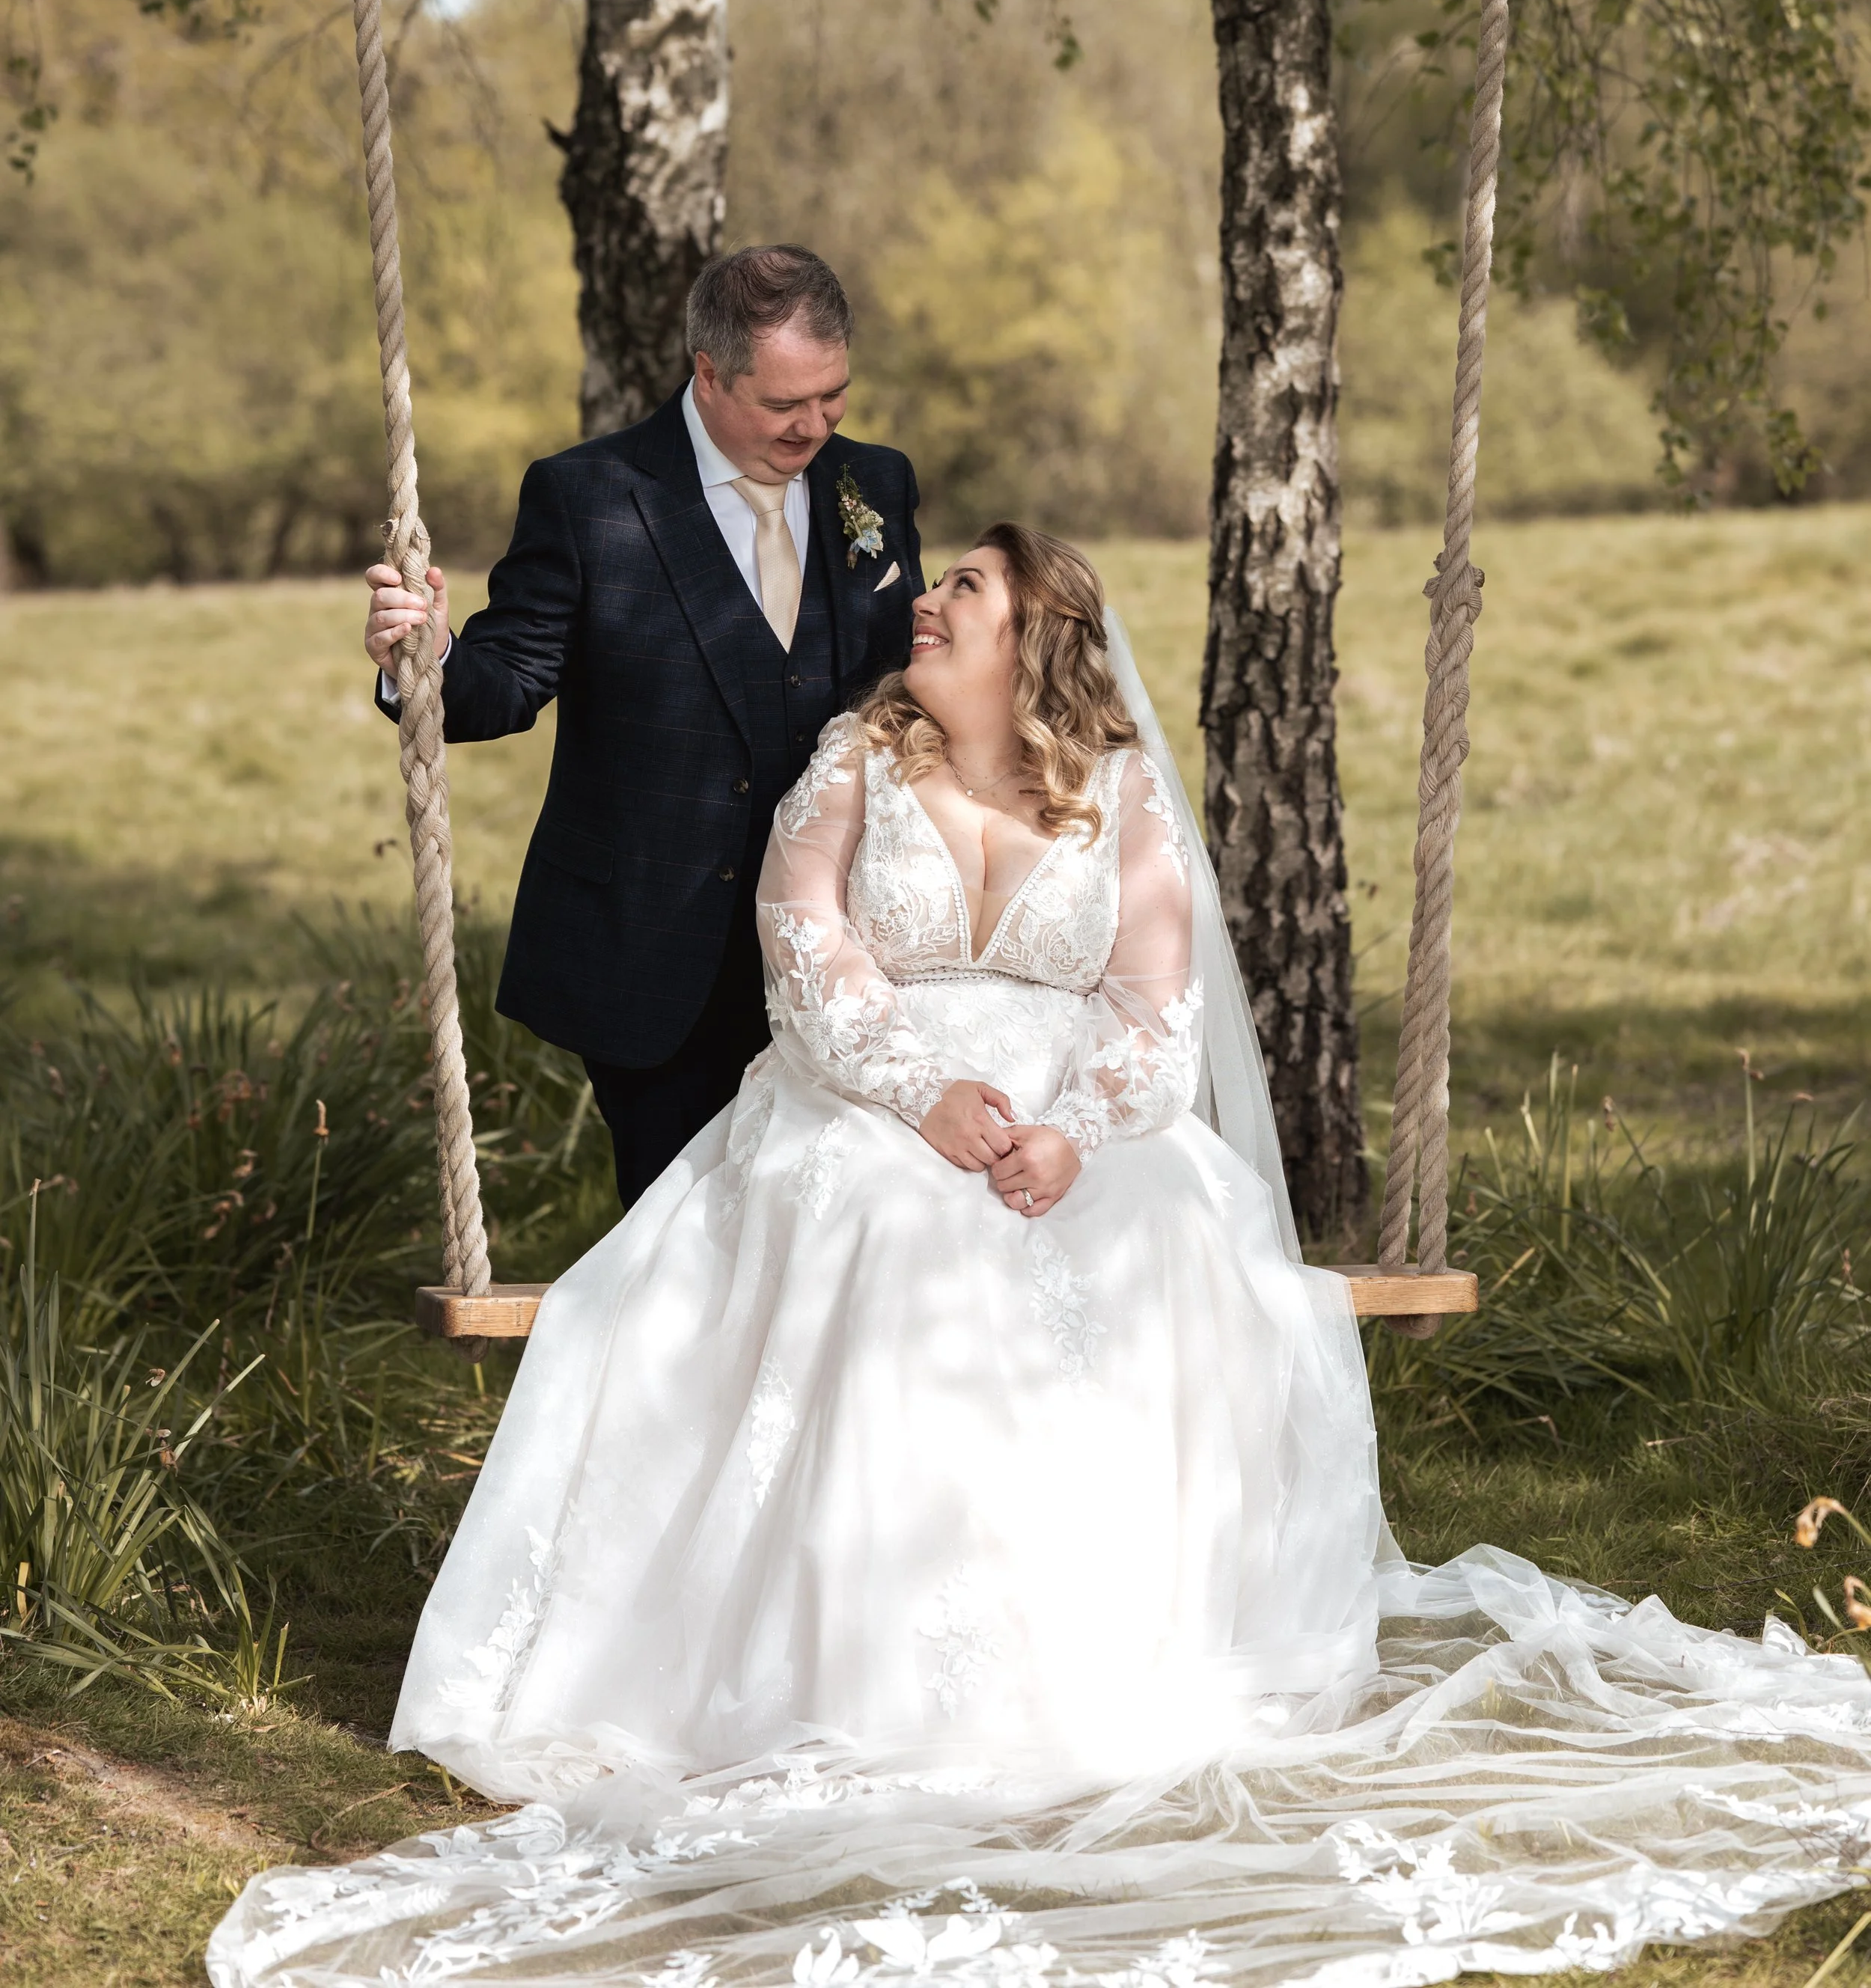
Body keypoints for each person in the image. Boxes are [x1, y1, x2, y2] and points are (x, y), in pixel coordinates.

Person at [215, 530, 1871, 1988]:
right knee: (869, 1231)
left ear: (1033, 643)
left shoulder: (1120, 792)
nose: (921, 604)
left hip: (1070, 1119)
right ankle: (842, 1662)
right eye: (937, 585)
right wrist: (920, 1097)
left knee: (1164, 1233)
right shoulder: (850, 763)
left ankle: (1091, 1649)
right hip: (861, 1102)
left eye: (960, 592)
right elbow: (809, 968)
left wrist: (1076, 1127)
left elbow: (1154, 1013)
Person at [363, 244, 922, 1209]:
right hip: (654, 955)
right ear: (707, 374)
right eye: (786, 404)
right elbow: (507, 682)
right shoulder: (588, 496)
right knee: (683, 1239)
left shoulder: (877, 482)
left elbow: (911, 683)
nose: (815, 425)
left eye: (833, 396)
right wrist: (429, 656)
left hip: (847, 944)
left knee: (836, 1225)